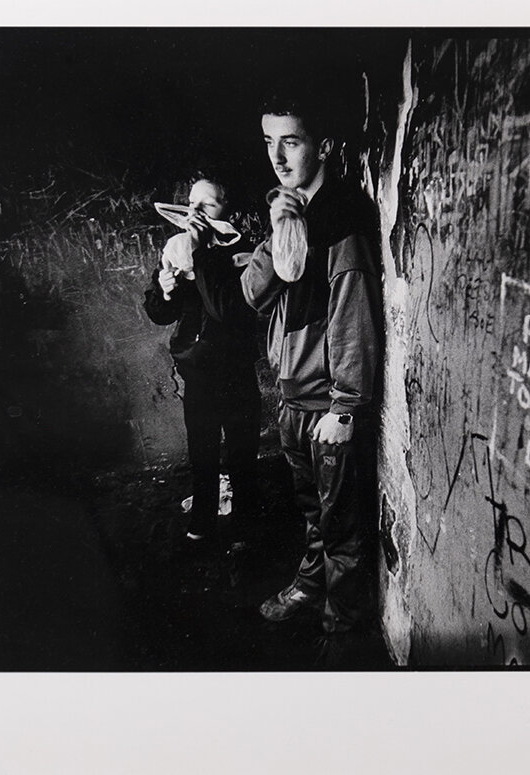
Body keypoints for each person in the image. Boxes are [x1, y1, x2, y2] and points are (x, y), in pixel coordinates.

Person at [241, 87, 383, 658]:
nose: (278, 157)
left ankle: (342, 636)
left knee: (344, 532)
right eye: (270, 143)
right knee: (312, 513)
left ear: (321, 146)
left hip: (328, 406)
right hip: (292, 397)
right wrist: (280, 233)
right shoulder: (287, 211)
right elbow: (253, 293)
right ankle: (308, 584)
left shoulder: (343, 215)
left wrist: (346, 406)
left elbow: (353, 312)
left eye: (291, 142)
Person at [144, 174, 262, 547]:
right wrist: (164, 292)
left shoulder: (246, 252)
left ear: (226, 209)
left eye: (207, 205)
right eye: (192, 204)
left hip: (236, 367)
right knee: (203, 451)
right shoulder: (177, 247)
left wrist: (201, 255)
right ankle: (203, 518)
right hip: (197, 368)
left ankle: (245, 525)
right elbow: (160, 313)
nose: (195, 212)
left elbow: (226, 309)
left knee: (243, 451)